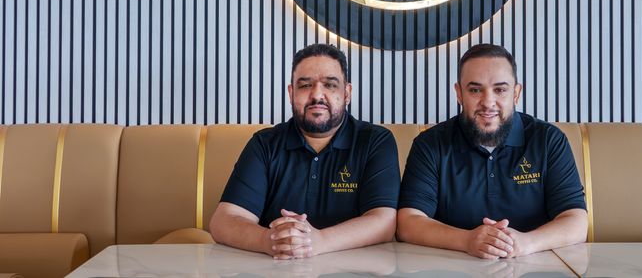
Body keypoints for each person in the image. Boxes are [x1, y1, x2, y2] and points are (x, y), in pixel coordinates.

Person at [397, 43, 588, 259]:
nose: (488, 102)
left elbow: (576, 221)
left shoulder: (548, 141)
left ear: (516, 93)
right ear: (459, 93)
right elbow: (408, 222)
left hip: (536, 267)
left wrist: (524, 243)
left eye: (500, 90)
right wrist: (468, 240)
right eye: (475, 90)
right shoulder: (430, 144)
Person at [209, 43, 400, 259]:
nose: (317, 95)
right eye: (305, 85)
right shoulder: (264, 144)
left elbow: (384, 222)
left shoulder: (375, 141)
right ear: (291, 93)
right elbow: (223, 221)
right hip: (275, 270)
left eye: (330, 85)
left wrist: (318, 241)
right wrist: (269, 240)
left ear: (347, 93)